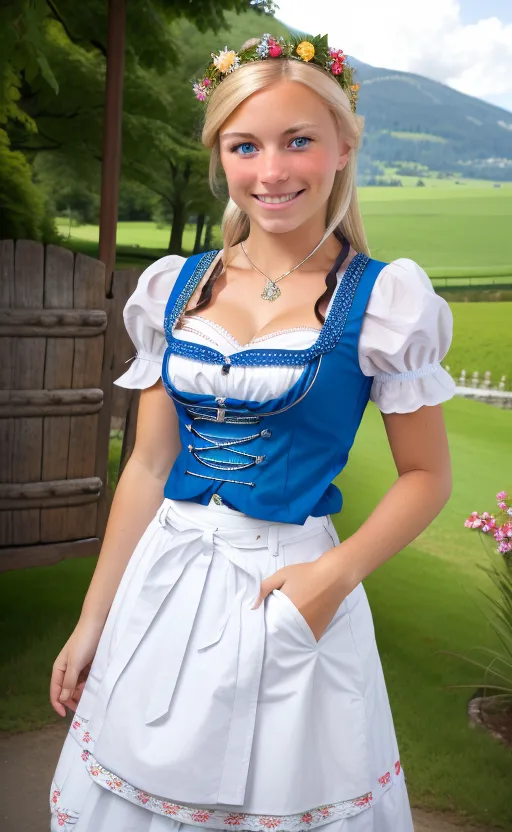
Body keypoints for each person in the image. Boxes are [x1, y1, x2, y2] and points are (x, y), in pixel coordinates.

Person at [49, 33, 456, 832]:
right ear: (222, 156)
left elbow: (426, 477)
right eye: (247, 145)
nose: (272, 171)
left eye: (298, 140)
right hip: (163, 586)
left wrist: (332, 577)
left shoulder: (384, 302)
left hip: (293, 586)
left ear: (343, 147)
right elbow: (149, 465)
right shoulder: (177, 287)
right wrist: (94, 618)